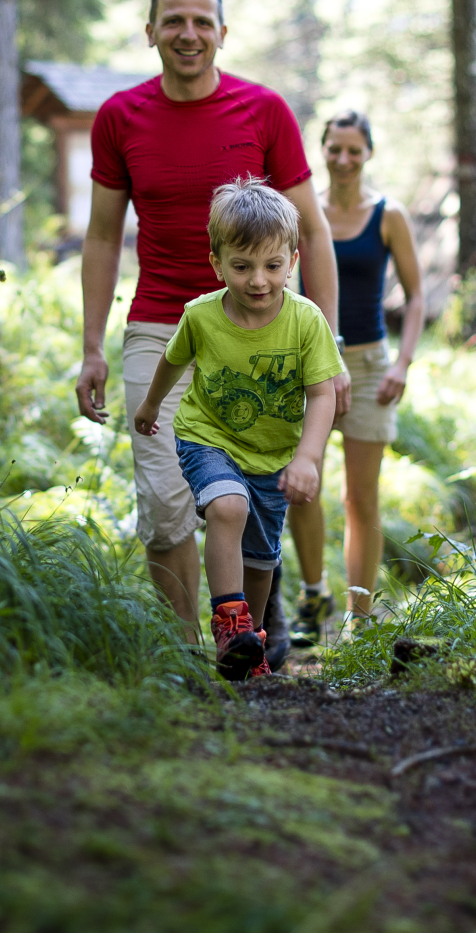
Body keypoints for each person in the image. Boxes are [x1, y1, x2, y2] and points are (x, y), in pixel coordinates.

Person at [75, 0, 348, 656]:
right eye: (174, 21)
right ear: (151, 33)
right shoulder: (119, 117)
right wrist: (91, 346)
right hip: (162, 324)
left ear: (222, 33)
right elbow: (104, 235)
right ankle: (187, 652)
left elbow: (311, 232)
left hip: (265, 332)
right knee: (166, 500)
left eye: (202, 22)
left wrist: (329, 344)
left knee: (254, 488)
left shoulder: (265, 111)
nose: (188, 34)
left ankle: (249, 636)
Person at [133, 179, 342, 679]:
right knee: (228, 505)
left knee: (262, 559)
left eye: (272, 266)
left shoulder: (306, 321)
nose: (258, 281)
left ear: (292, 261)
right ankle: (229, 623)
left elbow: (322, 393)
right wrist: (150, 405)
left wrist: (308, 457)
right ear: (217, 263)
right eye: (242, 267)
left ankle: (247, 648)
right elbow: (170, 359)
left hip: (273, 452)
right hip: (208, 436)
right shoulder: (202, 316)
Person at [287, 111, 426, 643]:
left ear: (369, 154)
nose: (343, 160)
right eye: (334, 149)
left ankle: (359, 618)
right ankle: (313, 596)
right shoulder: (301, 212)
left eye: (354, 150)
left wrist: (402, 363)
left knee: (359, 499)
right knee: (302, 488)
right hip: (310, 364)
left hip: (370, 367)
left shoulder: (389, 216)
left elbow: (416, 299)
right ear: (320, 150)